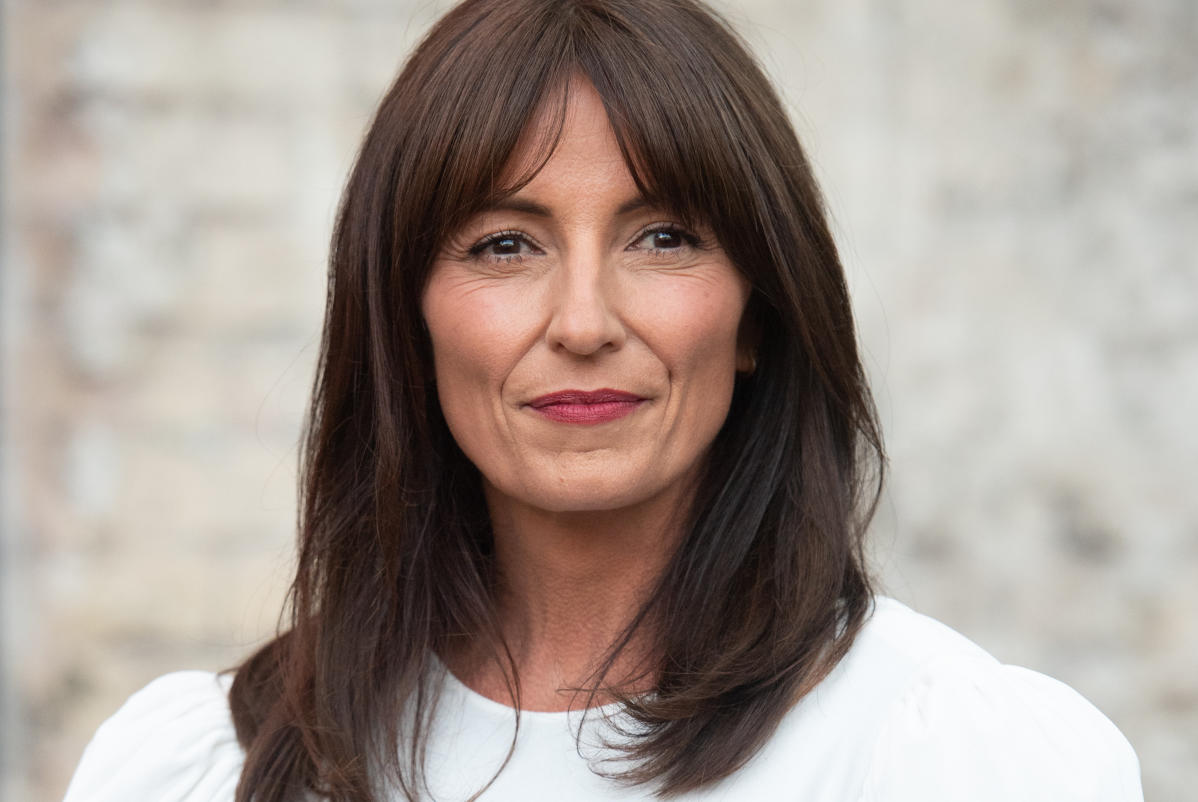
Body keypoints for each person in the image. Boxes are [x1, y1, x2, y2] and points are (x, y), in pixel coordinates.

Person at [63, 0, 1143, 800]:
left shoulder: (960, 762)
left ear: (758, 310)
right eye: (505, 244)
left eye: (662, 237)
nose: (584, 320)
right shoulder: (212, 767)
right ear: (409, 316)